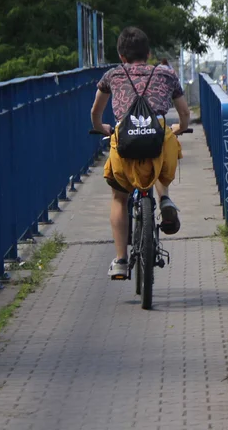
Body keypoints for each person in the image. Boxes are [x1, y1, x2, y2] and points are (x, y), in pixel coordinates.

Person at [90, 27, 189, 280]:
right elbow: (184, 113)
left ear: (121, 56)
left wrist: (101, 128)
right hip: (157, 137)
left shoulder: (112, 75)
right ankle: (164, 199)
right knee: (159, 161)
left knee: (119, 197)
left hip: (125, 139)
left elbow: (95, 113)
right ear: (149, 53)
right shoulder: (166, 74)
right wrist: (181, 128)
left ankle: (121, 260)